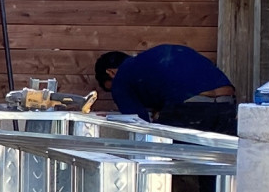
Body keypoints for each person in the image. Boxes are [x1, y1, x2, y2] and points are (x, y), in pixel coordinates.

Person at [94, 44, 239, 130]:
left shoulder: (121, 76)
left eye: (110, 88)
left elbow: (138, 124)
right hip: (226, 101)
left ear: (111, 72)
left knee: (165, 158)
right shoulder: (149, 61)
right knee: (217, 164)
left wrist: (113, 118)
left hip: (191, 106)